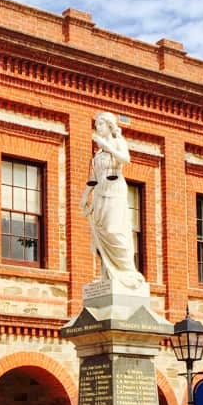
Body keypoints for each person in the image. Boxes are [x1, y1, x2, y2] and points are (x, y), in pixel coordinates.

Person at [79, 112, 144, 288]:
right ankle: (108, 275)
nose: (97, 128)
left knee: (113, 231)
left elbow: (126, 159)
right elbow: (94, 176)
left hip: (114, 191)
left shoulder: (116, 142)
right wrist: (85, 197)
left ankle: (127, 271)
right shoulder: (98, 152)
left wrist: (108, 146)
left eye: (100, 124)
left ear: (109, 126)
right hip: (100, 193)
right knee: (101, 235)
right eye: (96, 125)